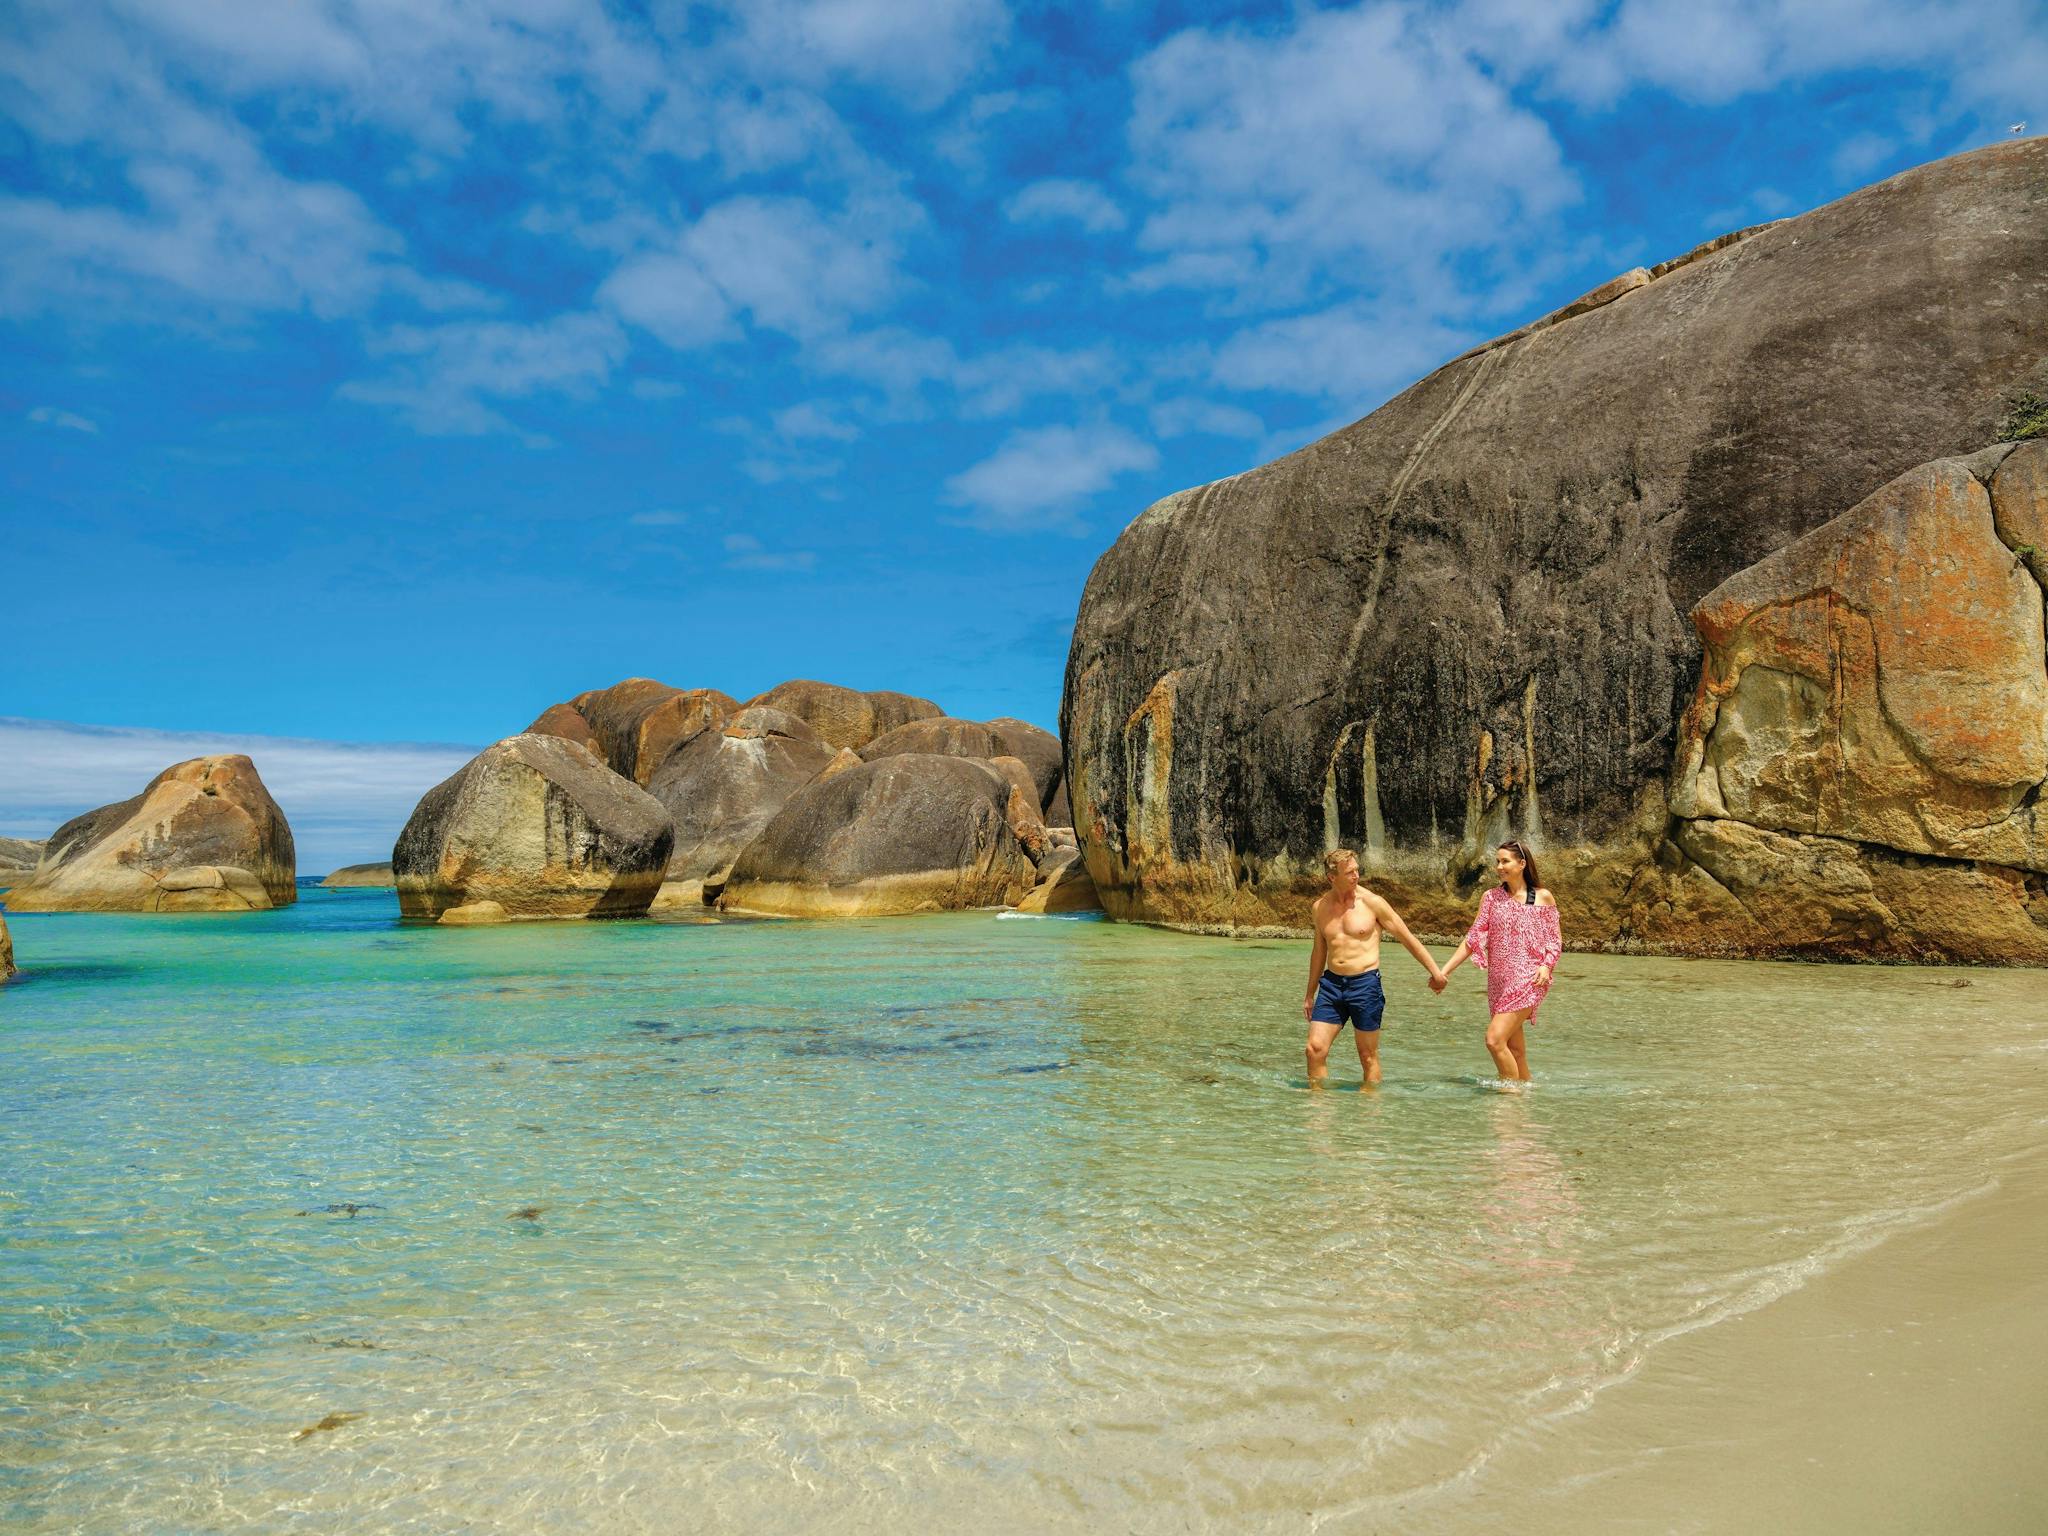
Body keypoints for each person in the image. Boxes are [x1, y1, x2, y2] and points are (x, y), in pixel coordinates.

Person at [1304, 848, 1447, 1086]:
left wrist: (1435, 972)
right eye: (1349, 872)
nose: (1356, 876)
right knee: (1314, 1049)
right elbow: (1319, 952)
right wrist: (1309, 993)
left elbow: (1407, 937)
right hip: (1331, 985)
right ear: (1332, 877)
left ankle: (1368, 1114)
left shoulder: (1372, 903)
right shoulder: (1320, 907)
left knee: (1367, 1056)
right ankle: (1319, 1110)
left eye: (1357, 870)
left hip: (1365, 984)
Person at [1434, 839, 1560, 1082]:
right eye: (1497, 862)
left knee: (1494, 1040)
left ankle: (1509, 1096)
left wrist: (1547, 965)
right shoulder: (1491, 898)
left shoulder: (1542, 897)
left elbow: (1554, 941)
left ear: (1522, 864)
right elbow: (1472, 940)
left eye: (1505, 861)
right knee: (1515, 1051)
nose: (1499, 867)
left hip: (1528, 981)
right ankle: (1524, 1103)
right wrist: (1444, 972)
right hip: (1498, 983)